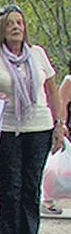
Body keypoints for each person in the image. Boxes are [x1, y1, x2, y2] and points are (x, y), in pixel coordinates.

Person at [0, 4, 68, 234]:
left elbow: (52, 90)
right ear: (0, 29)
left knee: (31, 187)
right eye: (10, 24)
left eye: (19, 23)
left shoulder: (37, 54)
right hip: (7, 129)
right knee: (11, 188)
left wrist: (59, 124)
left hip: (38, 127)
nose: (16, 28)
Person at [42, 57, 71, 215]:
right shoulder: (69, 81)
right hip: (69, 130)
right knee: (56, 168)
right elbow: (62, 102)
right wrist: (61, 124)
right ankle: (47, 199)